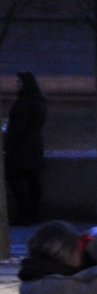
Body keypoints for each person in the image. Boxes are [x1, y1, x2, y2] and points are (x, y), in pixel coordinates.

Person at [3, 71, 48, 226]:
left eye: (18, 82)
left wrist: (6, 147)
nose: (15, 85)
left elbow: (16, 129)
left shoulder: (23, 103)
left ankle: (23, 216)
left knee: (16, 182)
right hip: (35, 148)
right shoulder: (40, 102)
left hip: (21, 151)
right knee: (33, 183)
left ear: (24, 84)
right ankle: (35, 215)